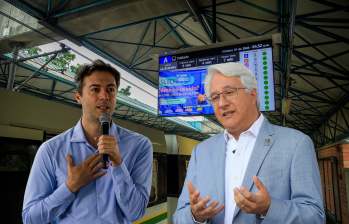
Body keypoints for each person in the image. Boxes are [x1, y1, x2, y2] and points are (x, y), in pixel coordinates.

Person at [173, 62, 325, 224]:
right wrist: (195, 216)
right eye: (215, 97)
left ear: (252, 95)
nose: (222, 103)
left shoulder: (296, 143)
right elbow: (179, 216)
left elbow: (315, 216)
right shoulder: (200, 152)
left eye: (229, 92)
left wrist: (269, 208)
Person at [22, 59, 153, 224]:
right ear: (79, 97)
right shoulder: (50, 150)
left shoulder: (140, 146)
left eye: (110, 89)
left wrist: (118, 163)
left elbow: (135, 213)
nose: (104, 96)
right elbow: (30, 218)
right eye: (95, 89)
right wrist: (71, 186)